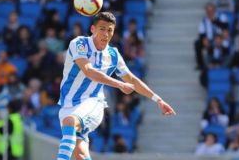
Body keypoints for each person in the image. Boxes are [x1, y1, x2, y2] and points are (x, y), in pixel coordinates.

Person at [56, 12, 176, 160]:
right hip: (68, 104)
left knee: (70, 121)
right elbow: (88, 71)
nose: (106, 34)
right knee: (81, 155)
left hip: (93, 102)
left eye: (110, 30)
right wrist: (119, 84)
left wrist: (158, 99)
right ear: (93, 29)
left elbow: (132, 79)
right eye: (102, 29)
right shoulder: (79, 44)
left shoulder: (113, 55)